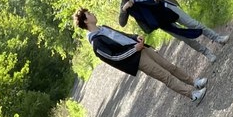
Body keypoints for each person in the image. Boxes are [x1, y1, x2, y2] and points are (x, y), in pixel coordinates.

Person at [73, 8, 206, 104]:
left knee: (170, 67)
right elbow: (114, 58)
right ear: (86, 21)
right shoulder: (96, 43)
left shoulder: (103, 28)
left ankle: (195, 82)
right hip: (136, 59)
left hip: (142, 48)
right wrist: (134, 49)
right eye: (89, 14)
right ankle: (192, 95)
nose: (92, 14)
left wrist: (135, 37)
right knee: (165, 76)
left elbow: (122, 35)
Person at [116, 0, 228, 62]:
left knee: (193, 24)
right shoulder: (125, 2)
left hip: (167, 7)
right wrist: (124, 9)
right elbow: (122, 23)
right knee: (184, 37)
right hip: (161, 22)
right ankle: (207, 53)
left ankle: (217, 38)